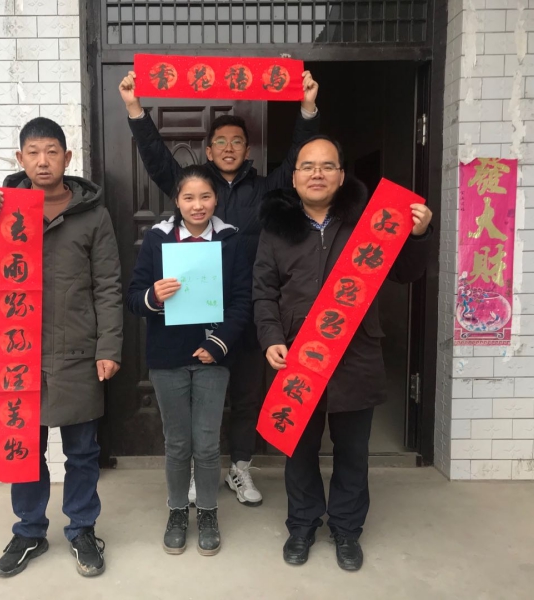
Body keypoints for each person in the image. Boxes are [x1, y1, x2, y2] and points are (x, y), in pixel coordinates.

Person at [119, 69, 320, 507]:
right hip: (193, 317)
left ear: (248, 150)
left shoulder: (266, 189)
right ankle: (196, 470)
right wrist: (136, 109)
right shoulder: (196, 187)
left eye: (237, 142)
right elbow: (157, 159)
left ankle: (240, 467)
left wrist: (307, 109)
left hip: (244, 311)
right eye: (221, 142)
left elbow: (295, 164)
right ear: (208, 150)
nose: (229, 148)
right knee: (197, 402)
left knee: (247, 395)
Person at [0, 117, 123, 578]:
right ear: (20, 158)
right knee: (23, 448)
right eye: (33, 152)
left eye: (51, 152)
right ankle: (29, 531)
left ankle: (82, 529)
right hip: (20, 354)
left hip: (78, 353)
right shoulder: (3, 209)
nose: (42, 161)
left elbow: (108, 285)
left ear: (67, 158)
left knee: (82, 452)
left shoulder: (93, 214)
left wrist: (109, 347)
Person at [252, 135, 433, 571]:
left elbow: (406, 272)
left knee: (353, 451)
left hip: (356, 357)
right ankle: (302, 524)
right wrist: (271, 337)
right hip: (299, 357)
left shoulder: (371, 223)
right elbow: (263, 291)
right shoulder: (276, 230)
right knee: (299, 450)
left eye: (327, 166)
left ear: (341, 174)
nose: (317, 174)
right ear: (294, 177)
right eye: (307, 166)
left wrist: (419, 234)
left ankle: (347, 529)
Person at [126, 165, 251, 556]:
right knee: (178, 443)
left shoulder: (230, 239)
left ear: (216, 199)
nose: (198, 205)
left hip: (213, 355)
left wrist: (219, 343)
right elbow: (133, 297)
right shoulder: (157, 239)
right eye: (189, 197)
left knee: (208, 444)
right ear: (176, 201)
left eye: (206, 197)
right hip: (167, 357)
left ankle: (208, 512)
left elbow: (242, 301)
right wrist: (153, 296)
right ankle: (178, 511)